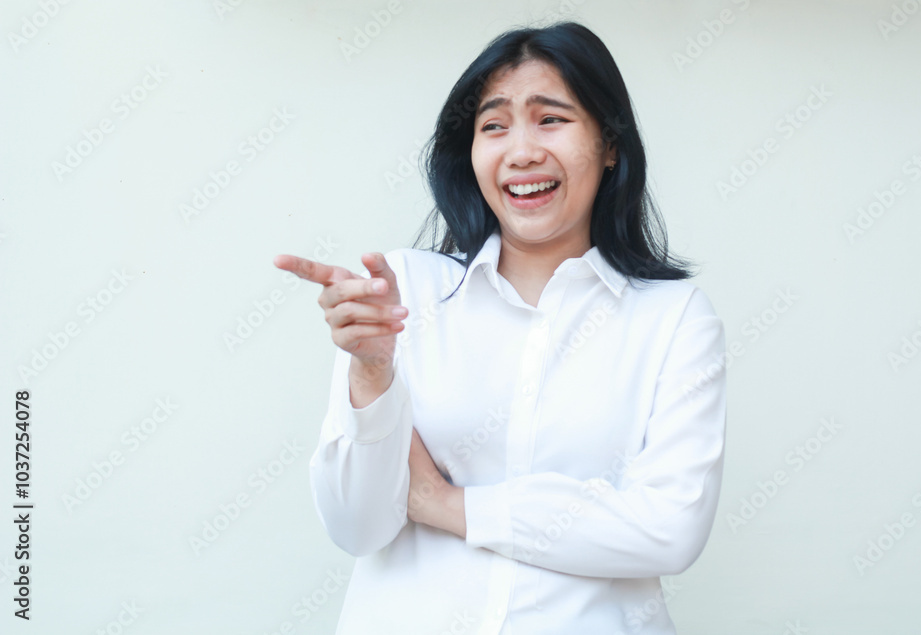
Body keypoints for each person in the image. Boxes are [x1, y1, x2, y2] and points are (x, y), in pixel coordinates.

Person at [274, 20, 726, 635]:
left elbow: (669, 530)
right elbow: (357, 526)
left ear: (610, 144)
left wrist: (444, 503)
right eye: (493, 126)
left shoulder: (673, 318)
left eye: (551, 119)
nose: (521, 152)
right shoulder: (403, 294)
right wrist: (372, 373)